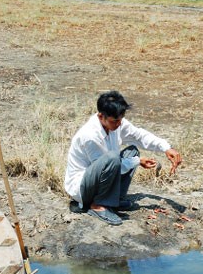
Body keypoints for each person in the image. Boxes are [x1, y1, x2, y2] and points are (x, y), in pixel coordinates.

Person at [64, 91, 182, 226]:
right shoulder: (90, 135)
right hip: (82, 187)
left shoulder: (116, 123)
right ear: (101, 116)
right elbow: (108, 166)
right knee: (115, 158)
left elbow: (139, 136)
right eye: (115, 121)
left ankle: (114, 200)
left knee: (132, 151)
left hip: (101, 175)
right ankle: (98, 205)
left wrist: (166, 148)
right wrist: (138, 161)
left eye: (121, 119)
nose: (119, 124)